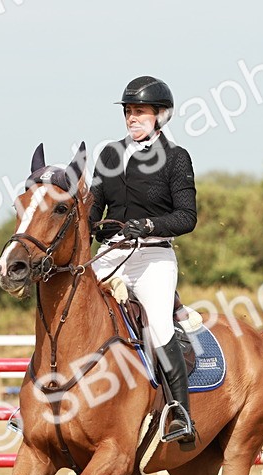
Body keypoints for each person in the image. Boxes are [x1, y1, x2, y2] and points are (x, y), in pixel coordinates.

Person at [89, 76, 198, 445]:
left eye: (140, 112)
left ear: (160, 116)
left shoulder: (176, 158)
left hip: (153, 257)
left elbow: (187, 216)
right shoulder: (109, 155)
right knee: (70, 309)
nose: (132, 118)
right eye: (129, 112)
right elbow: (93, 204)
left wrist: (150, 224)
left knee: (159, 328)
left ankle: (180, 413)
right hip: (112, 256)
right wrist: (88, 229)